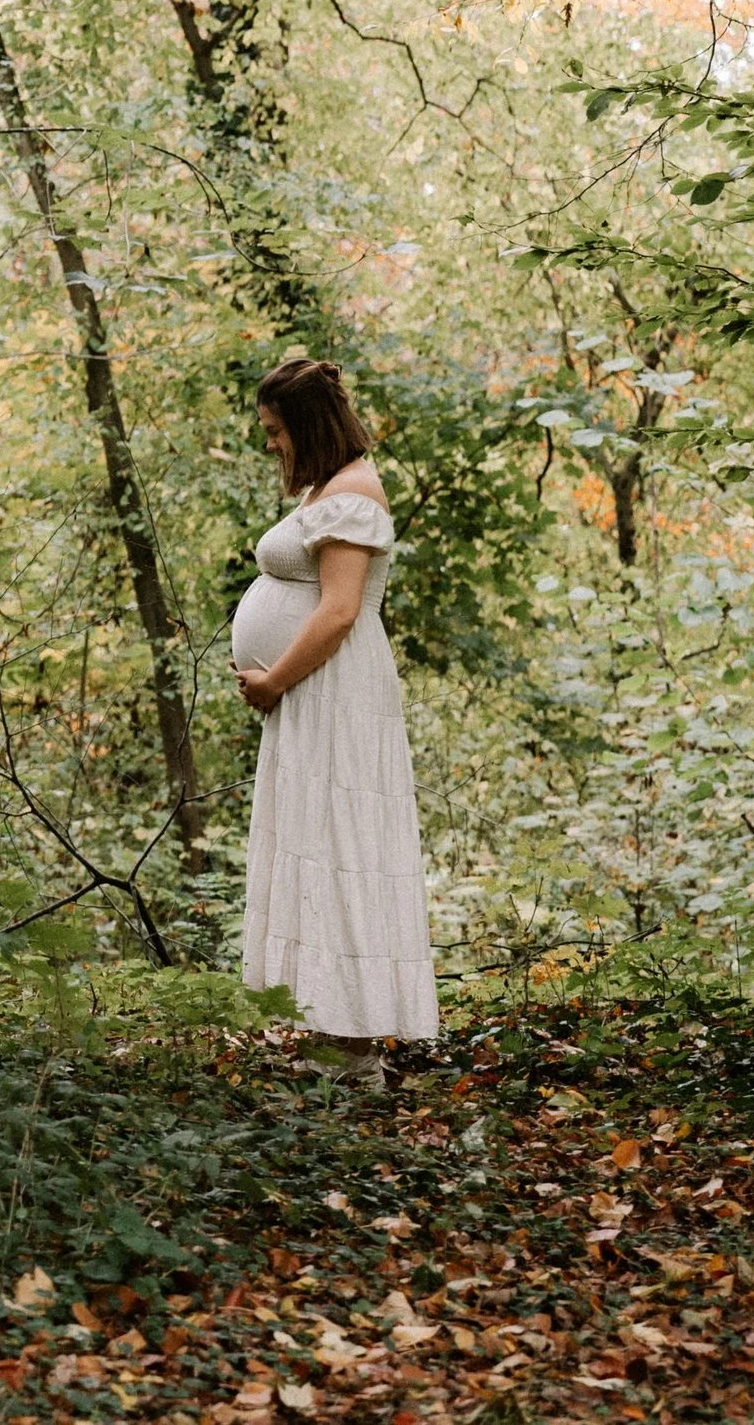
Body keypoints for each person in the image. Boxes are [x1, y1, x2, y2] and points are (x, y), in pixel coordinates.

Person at [232, 352, 438, 1078]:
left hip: (331, 691)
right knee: (315, 844)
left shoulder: (356, 497)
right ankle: (329, 1040)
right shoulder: (330, 488)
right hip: (313, 695)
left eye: (276, 429)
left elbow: (341, 611)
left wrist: (273, 681)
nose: (271, 443)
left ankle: (351, 1059)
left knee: (343, 847)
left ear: (309, 424)